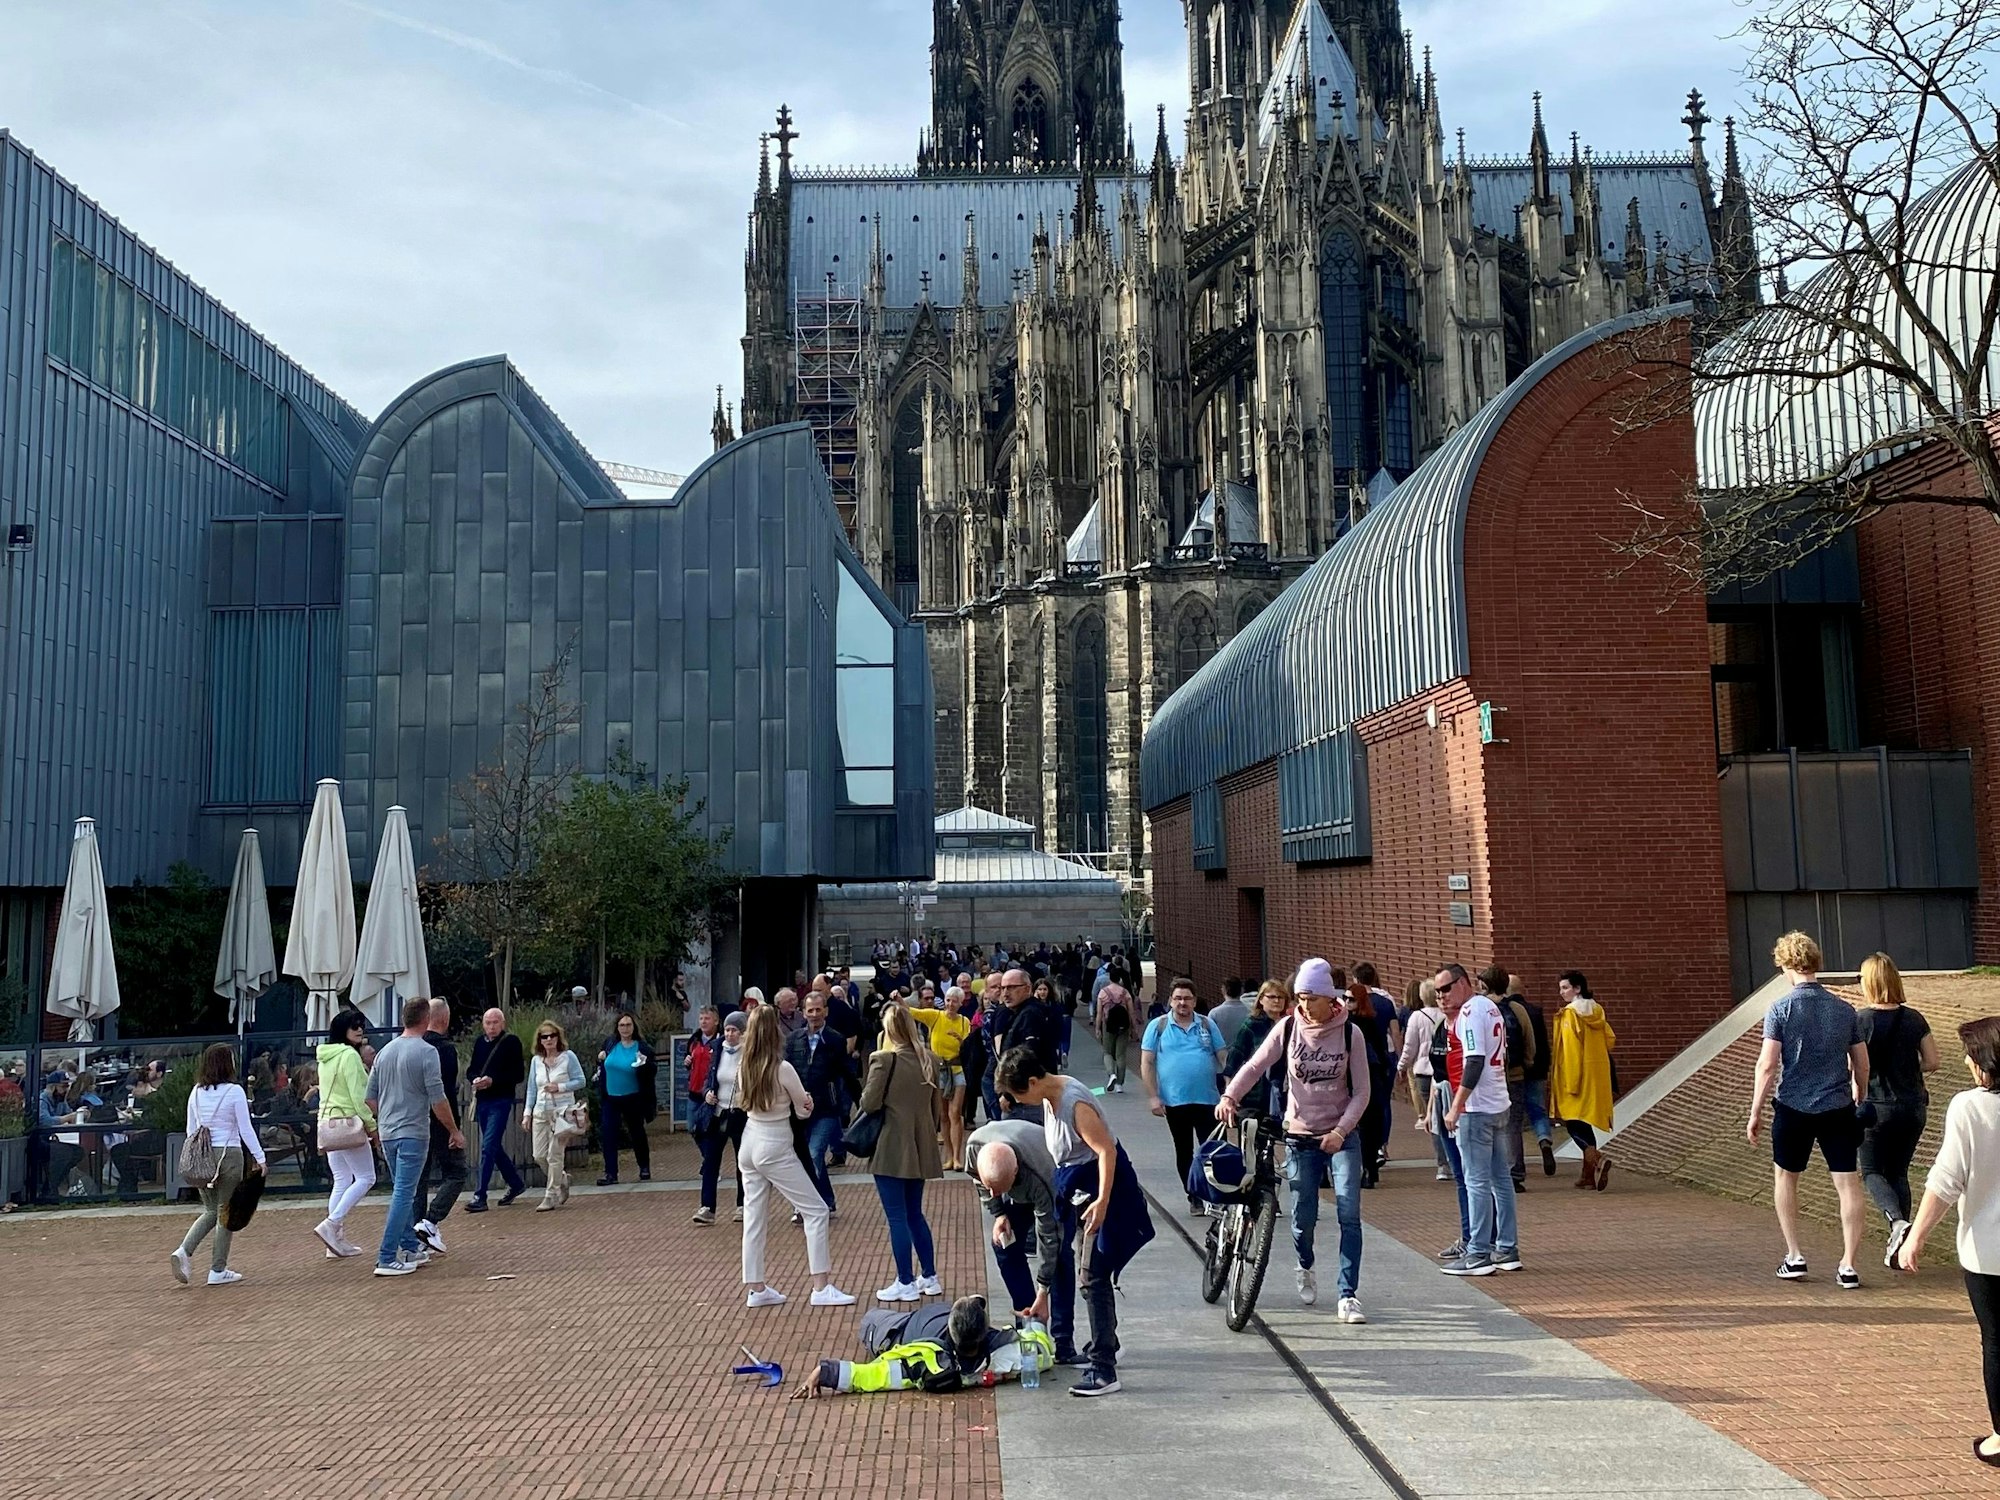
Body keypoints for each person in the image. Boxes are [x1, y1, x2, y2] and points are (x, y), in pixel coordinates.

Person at [994, 1045, 1155, 1398]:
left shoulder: (1074, 1102)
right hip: (1080, 1195)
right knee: (1091, 1272)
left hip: (1102, 1193)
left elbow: (1106, 1151)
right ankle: (1106, 1343)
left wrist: (1103, 1200)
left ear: (1034, 1081)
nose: (1019, 1102)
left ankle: (1103, 1368)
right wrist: (1043, 1294)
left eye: (1019, 1094)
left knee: (1092, 1277)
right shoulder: (1051, 1098)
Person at [1219, 959, 1371, 1321]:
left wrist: (1340, 1131)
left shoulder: (1351, 1034)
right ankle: (1305, 1263)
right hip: (1301, 1136)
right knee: (1304, 1217)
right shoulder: (1288, 1028)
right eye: (1299, 998)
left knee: (1349, 1211)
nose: (1304, 1005)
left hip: (1341, 1135)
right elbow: (1255, 1065)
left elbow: (1363, 1092)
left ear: (1328, 998)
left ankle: (1348, 1294)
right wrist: (1230, 1097)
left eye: (1311, 998)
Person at [1893, 1016, 2000, 1468]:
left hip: (1988, 1248)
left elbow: (1947, 1180)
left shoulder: (1969, 1108)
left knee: (1996, 1341)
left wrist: (1914, 1237)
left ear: (1982, 1065)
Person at [1747, 931, 1870, 1288]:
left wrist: (1755, 1111)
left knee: (1786, 1178)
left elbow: (1767, 1065)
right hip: (1837, 1108)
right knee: (1847, 1183)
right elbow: (1861, 1062)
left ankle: (1794, 1255)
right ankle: (1848, 1264)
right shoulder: (1844, 1009)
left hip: (1793, 1107)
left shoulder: (1781, 1009)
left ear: (1786, 966)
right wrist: (1858, 1094)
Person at [737, 1007, 855, 1308]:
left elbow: (741, 1103)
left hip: (749, 1141)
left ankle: (756, 1287)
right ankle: (820, 1286)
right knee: (815, 1210)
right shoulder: (782, 1067)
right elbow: (804, 1108)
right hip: (774, 1142)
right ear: (775, 1031)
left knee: (754, 1216)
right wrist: (806, 1104)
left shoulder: (744, 1065)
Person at [968, 1118, 1082, 1366]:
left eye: (999, 1188)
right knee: (1003, 1244)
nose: (993, 1194)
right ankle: (1028, 1321)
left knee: (1060, 1256)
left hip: (1053, 1183)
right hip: (1012, 1182)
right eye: (991, 1188)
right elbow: (981, 1184)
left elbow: (1048, 1237)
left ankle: (1063, 1342)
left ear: (1016, 1172)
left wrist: (1043, 1290)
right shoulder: (974, 1149)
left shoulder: (1041, 1178)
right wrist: (998, 1212)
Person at [791, 1294, 1055, 1398]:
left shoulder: (924, 1360)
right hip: (921, 1324)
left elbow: (876, 1375)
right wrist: (1033, 1324)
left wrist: (826, 1372)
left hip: (904, 1330)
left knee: (869, 1319)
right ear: (985, 1330)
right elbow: (1042, 1350)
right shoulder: (1008, 1354)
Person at [367, 997, 464, 1276]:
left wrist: (385, 1116)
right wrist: (454, 1131)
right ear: (426, 1020)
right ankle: (386, 1256)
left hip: (388, 1131)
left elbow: (370, 1098)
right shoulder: (426, 1051)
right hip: (413, 1131)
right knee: (403, 1194)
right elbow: (438, 1098)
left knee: (404, 1191)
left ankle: (410, 1245)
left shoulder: (384, 1052)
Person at [1856, 952, 1940, 1267]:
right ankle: (1900, 1246)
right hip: (1912, 1107)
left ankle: (1897, 1222)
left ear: (1870, 983)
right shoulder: (1915, 1018)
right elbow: (1933, 1061)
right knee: (1899, 1172)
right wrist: (1908, 1067)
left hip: (1876, 1108)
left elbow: (1855, 1067)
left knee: (1872, 1171)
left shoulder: (1861, 1021)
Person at [1437, 963, 1520, 1277]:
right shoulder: (1491, 1008)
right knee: (1501, 1180)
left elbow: (1474, 1060)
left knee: (1477, 1182)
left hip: (1477, 1109)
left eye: (1446, 988)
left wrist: (1456, 1106)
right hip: (1498, 1103)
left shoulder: (1470, 1013)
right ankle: (1507, 1248)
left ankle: (1477, 1254)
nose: (1441, 996)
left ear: (1463, 983)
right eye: (1437, 991)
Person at [860, 1004, 944, 1302]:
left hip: (892, 1145)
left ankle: (905, 1281)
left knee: (896, 1217)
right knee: (914, 1214)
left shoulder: (883, 1059)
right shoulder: (930, 1060)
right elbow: (936, 1108)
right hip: (921, 1144)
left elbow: (869, 1104)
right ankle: (930, 1276)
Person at [169, 1044, 266, 1287]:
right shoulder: (234, 1092)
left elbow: (191, 1130)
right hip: (229, 1154)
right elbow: (245, 1129)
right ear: (227, 1064)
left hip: (203, 1157)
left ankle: (184, 1250)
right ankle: (217, 1268)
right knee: (226, 1211)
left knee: (211, 1210)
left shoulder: (196, 1092)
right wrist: (260, 1157)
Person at [1140, 977, 1229, 1217]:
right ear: (1170, 1000)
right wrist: (1153, 1097)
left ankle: (1214, 1194)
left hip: (1208, 1100)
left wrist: (1230, 1090)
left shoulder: (1207, 1025)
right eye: (1178, 998)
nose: (1182, 1003)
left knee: (1210, 1150)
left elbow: (1222, 1056)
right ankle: (1194, 1196)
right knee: (1184, 1151)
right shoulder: (1157, 1026)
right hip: (1175, 1101)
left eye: (1187, 998)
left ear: (1194, 1001)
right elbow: (1147, 1063)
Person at [312, 1009, 376, 1257]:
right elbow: (359, 1097)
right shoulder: (349, 1056)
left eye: (360, 1025)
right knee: (366, 1177)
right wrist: (372, 1125)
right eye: (354, 1026)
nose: (360, 1030)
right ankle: (331, 1225)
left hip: (327, 1123)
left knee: (341, 1179)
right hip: (349, 1123)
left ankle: (335, 1240)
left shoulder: (325, 1057)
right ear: (343, 1031)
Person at [786, 991, 858, 1211]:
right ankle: (826, 1199)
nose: (814, 1014)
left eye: (818, 1010)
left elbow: (847, 1073)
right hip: (799, 1109)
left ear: (825, 1011)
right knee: (804, 1157)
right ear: (804, 1012)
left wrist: (860, 1102)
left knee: (815, 1153)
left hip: (826, 1108)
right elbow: (785, 1072)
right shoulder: (793, 1039)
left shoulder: (835, 1039)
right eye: (810, 1010)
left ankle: (806, 1205)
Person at [1549, 972, 1618, 1190]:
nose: (1562, 993)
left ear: (1577, 988)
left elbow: (1570, 1050)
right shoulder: (1597, 1010)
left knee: (1573, 1124)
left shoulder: (1570, 1015)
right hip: (1597, 1075)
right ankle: (1588, 1176)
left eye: (1565, 988)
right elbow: (1610, 1040)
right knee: (1585, 1124)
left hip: (1576, 1077)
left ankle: (1597, 1159)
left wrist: (1569, 1083)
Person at [1476, 967, 1539, 1192]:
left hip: (1486, 1077)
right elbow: (1530, 1043)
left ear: (1484, 985)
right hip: (1514, 1075)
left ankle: (1491, 1169)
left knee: (1486, 1123)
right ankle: (1515, 1171)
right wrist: (1525, 1064)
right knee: (1513, 1125)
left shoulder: (1478, 1009)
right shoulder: (1516, 1009)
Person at [413, 998, 468, 1256]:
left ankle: (414, 1235)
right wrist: (454, 1129)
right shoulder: (443, 1049)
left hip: (413, 1121)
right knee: (456, 1172)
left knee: (417, 1180)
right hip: (440, 1121)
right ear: (444, 1020)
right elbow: (444, 1091)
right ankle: (429, 1221)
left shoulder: (409, 1047)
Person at [466, 1007, 527, 1212]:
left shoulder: (511, 1042)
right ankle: (516, 1183)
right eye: (488, 1023)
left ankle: (480, 1194)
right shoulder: (479, 1043)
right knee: (493, 1147)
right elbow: (471, 1068)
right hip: (483, 1100)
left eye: (495, 1022)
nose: (491, 1026)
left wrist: (494, 1081)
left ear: (502, 1023)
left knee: (488, 1145)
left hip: (501, 1099)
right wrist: (474, 1079)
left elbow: (518, 1074)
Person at [524, 1020, 586, 1213]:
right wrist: (527, 1113)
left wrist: (560, 1087)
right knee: (539, 1155)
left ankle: (550, 1195)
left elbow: (580, 1081)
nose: (549, 1039)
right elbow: (532, 1089)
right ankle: (562, 1178)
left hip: (562, 1111)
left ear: (558, 1037)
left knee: (555, 1154)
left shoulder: (568, 1057)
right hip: (541, 1111)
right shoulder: (536, 1061)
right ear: (540, 1040)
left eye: (552, 1035)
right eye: (545, 1036)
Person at [909, 985, 973, 1170]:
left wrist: (960, 1041)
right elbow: (911, 1011)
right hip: (939, 1069)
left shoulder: (964, 1022)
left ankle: (958, 1157)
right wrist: (897, 998)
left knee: (955, 1113)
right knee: (943, 1115)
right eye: (948, 1000)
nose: (951, 1004)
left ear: (961, 1003)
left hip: (957, 1069)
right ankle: (949, 1156)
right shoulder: (935, 1016)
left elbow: (968, 1048)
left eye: (955, 1001)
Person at [594, 1011, 660, 1186]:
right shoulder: (610, 1044)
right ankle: (610, 1173)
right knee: (608, 1133)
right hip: (611, 1097)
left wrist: (645, 1065)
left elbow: (652, 1070)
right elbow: (603, 1064)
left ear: (634, 1027)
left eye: (628, 1025)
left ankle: (644, 1167)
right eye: (622, 1025)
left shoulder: (642, 1047)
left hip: (633, 1096)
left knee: (636, 1131)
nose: (625, 1028)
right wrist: (600, 1059)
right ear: (617, 1027)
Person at [699, 1011, 751, 1224]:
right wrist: (707, 1093)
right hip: (718, 1112)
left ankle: (742, 1205)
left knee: (742, 1161)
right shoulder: (718, 1049)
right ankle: (707, 1207)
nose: (730, 1035)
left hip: (740, 1113)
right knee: (710, 1160)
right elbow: (709, 1077)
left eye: (735, 1031)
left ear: (743, 1032)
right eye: (727, 1030)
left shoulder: (748, 1052)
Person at [1394, 979, 1449, 1178]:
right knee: (1449, 1115)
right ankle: (1453, 1157)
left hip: (1424, 1072)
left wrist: (1401, 1067)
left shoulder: (1416, 1017)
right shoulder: (1447, 1014)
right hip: (1445, 1071)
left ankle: (1443, 1164)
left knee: (1433, 1118)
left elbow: (1410, 1047)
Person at [1509, 973, 1557, 1179]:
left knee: (1514, 1118)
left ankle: (1516, 1161)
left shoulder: (1507, 1012)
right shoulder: (1535, 1011)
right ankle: (1544, 1140)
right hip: (1537, 1069)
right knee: (1538, 1109)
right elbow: (1543, 1044)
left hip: (1516, 1071)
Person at [686, 1006, 729, 1224]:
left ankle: (740, 1205)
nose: (703, 1022)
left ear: (716, 1020)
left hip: (726, 1105)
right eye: (701, 1018)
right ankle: (707, 1206)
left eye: (707, 1018)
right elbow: (692, 1061)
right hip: (699, 1095)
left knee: (735, 1155)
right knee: (693, 1128)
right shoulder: (695, 1040)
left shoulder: (721, 1044)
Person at [1223, 981, 1291, 1118]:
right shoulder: (1252, 1025)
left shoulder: (1290, 1025)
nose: (1276, 1001)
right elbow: (1235, 1058)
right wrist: (1230, 1094)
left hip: (1284, 1093)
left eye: (1280, 997)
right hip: (1256, 1095)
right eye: (1271, 997)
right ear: (1261, 1000)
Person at [1095, 963, 1137, 1093]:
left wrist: (1097, 1028)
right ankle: (1120, 1084)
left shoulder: (1103, 993)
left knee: (1107, 1052)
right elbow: (1131, 1012)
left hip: (1108, 1025)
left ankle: (1111, 1073)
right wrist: (1134, 1028)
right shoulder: (1125, 993)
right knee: (1121, 1054)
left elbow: (1099, 1013)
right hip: (1123, 1025)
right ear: (1120, 979)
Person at [1209, 977, 1250, 1051]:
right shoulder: (1250, 1012)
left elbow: (1209, 1039)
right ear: (1242, 991)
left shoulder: (1214, 1013)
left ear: (1223, 990)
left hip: (1221, 1057)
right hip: (1246, 1056)